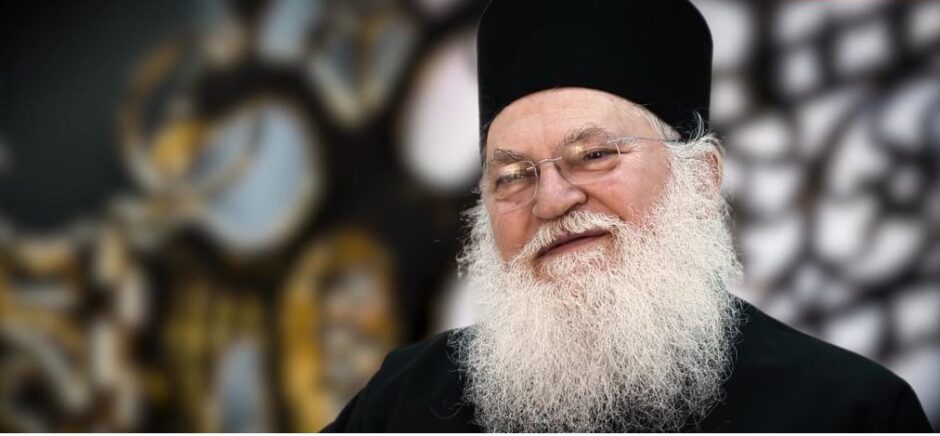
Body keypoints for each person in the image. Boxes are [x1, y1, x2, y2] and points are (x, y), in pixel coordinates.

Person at [322, 0, 934, 432]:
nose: (551, 201)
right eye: (513, 176)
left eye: (593, 156)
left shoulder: (847, 412)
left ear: (701, 178)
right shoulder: (403, 403)